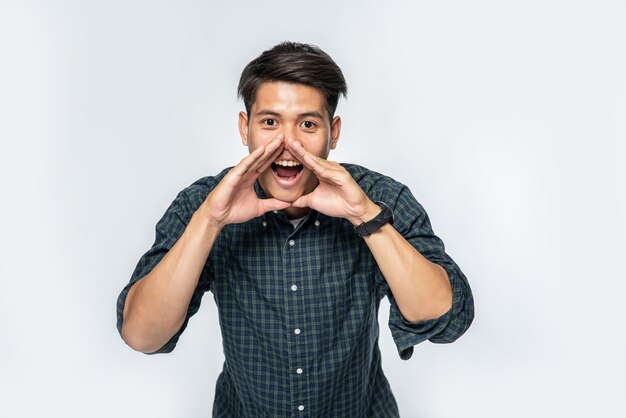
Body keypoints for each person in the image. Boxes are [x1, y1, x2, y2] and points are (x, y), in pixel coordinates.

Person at [116, 41, 474, 417]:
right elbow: (142, 336)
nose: (287, 144)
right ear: (245, 127)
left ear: (333, 132)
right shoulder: (204, 204)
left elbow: (446, 321)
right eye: (270, 122)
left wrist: (364, 217)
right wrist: (209, 222)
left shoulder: (380, 198)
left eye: (307, 124)